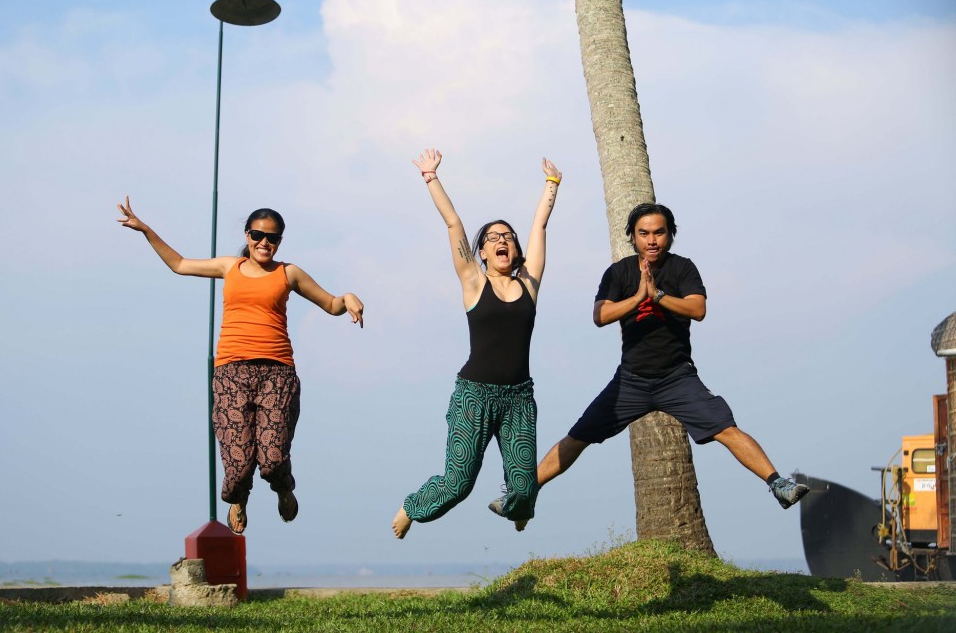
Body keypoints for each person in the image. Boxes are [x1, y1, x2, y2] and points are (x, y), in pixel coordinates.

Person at [528, 202, 808, 512]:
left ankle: (778, 484)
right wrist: (638, 297)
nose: (651, 240)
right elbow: (600, 315)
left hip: (677, 378)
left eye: (659, 233)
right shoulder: (619, 272)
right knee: (579, 436)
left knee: (726, 429)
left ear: (670, 235)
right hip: (631, 380)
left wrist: (658, 295)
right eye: (643, 233)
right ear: (632, 237)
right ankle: (525, 492)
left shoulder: (682, 268)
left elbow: (698, 309)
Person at [117, 198, 364, 534]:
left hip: (277, 374)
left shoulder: (288, 273)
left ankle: (283, 488)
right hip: (231, 373)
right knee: (238, 465)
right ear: (248, 235)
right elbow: (178, 264)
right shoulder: (228, 267)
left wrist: (347, 296)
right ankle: (238, 499)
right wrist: (146, 230)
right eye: (257, 234)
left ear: (279, 242)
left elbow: (331, 304)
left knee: (272, 458)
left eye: (272, 237)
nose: (264, 242)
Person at [391, 148, 563, 539]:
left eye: (508, 237)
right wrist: (431, 176)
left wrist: (551, 185)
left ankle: (515, 507)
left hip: (519, 397)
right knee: (459, 484)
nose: (501, 240)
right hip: (474, 396)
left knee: (524, 488)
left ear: (515, 250)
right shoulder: (473, 281)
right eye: (492, 237)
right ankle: (411, 506)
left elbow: (539, 228)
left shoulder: (529, 284)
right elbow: (453, 223)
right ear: (482, 251)